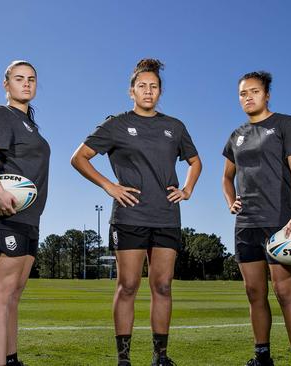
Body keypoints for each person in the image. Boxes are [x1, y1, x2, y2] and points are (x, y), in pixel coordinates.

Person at [71, 58, 202, 366]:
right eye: (142, 86)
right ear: (131, 91)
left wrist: (187, 189)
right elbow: (80, 158)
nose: (148, 91)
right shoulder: (115, 124)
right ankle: (124, 360)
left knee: (163, 286)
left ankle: (160, 357)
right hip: (129, 216)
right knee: (128, 285)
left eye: (153, 86)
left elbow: (196, 162)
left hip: (167, 216)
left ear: (160, 91)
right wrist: (108, 186)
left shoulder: (175, 126)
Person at [222, 71, 291, 366]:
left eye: (254, 91)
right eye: (243, 93)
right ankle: (262, 357)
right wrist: (230, 200)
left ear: (267, 94)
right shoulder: (236, 135)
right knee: (253, 292)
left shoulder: (286, 124)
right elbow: (226, 177)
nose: (248, 97)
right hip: (245, 224)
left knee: (285, 292)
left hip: (280, 221)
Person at [0, 60, 50, 366]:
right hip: (3, 218)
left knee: (13, 297)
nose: (27, 83)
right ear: (6, 85)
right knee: (0, 296)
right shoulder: (0, 114)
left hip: (29, 221)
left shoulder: (30, 124)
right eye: (19, 79)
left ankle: (11, 359)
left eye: (32, 79)